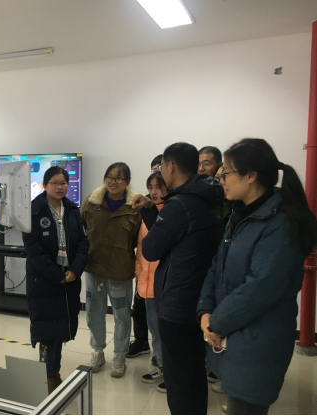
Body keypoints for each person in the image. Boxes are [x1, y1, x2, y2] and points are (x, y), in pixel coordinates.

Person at [198, 138, 317, 415]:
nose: (221, 180)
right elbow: (217, 266)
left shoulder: (280, 222)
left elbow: (260, 287)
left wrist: (216, 322)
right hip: (234, 334)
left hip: (259, 341)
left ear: (251, 176)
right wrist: (204, 309)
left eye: (226, 173)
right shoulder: (240, 215)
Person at [132, 143, 224, 415]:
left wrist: (155, 216)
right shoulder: (206, 197)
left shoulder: (179, 204)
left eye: (161, 166)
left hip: (177, 302)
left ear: (170, 166)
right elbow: (175, 237)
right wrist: (151, 210)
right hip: (197, 296)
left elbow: (151, 249)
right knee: (192, 372)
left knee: (180, 380)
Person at [22, 167, 90, 394]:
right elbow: (33, 249)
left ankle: (53, 373)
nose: (60, 187)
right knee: (46, 333)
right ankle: (48, 377)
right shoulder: (33, 211)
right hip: (44, 282)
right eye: (54, 183)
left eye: (63, 183)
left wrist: (75, 271)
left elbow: (83, 243)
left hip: (68, 281)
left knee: (60, 331)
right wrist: (56, 274)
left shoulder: (72, 209)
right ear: (45, 185)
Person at [81, 162, 141, 378]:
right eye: (110, 177)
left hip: (120, 270)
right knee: (93, 313)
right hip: (94, 269)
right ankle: (97, 351)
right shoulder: (92, 201)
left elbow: (138, 239)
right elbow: (82, 228)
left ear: (127, 182)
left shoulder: (135, 206)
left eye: (119, 178)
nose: (113, 182)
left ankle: (119, 355)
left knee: (122, 315)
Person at [127, 157, 162, 360]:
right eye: (151, 185)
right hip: (144, 273)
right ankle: (142, 343)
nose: (154, 190)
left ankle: (162, 362)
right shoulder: (144, 206)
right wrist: (138, 267)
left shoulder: (172, 209)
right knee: (140, 312)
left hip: (162, 278)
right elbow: (140, 243)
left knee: (159, 325)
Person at [136, 172, 168, 392]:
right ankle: (161, 364)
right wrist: (139, 273)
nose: (154, 192)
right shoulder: (147, 212)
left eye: (159, 186)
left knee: (165, 331)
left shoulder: (171, 214)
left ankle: (168, 369)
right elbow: (141, 248)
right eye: (150, 187)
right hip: (147, 283)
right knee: (154, 329)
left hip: (164, 285)